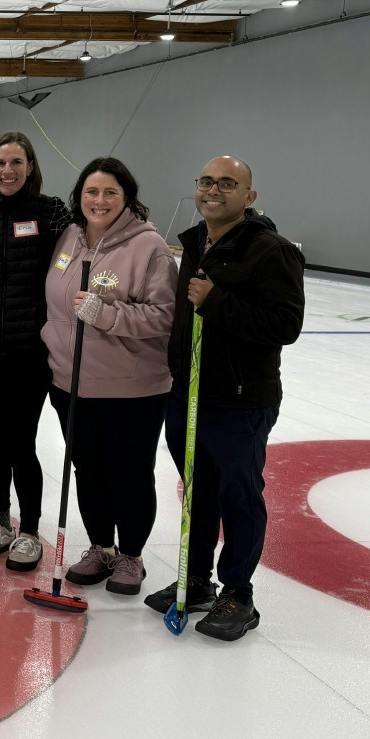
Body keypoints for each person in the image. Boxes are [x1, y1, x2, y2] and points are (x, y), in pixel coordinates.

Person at [143, 155, 305, 641]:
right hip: (188, 393)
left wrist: (217, 302)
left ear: (249, 196)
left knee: (238, 495)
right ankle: (196, 582)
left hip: (239, 401)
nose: (214, 190)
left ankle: (238, 591)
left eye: (228, 184)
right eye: (207, 182)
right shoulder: (193, 243)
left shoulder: (270, 251)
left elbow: (284, 326)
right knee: (198, 492)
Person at [42, 157, 176, 596]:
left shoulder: (149, 246)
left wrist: (106, 314)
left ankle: (131, 555)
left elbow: (166, 315)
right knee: (89, 470)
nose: (99, 201)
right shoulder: (70, 237)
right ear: (79, 197)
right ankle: (100, 546)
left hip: (129, 389)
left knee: (129, 472)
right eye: (91, 192)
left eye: (109, 193)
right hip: (70, 383)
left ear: (127, 197)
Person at [0, 132, 72, 570]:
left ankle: (29, 530)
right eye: (0, 162)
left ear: (30, 167)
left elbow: (79, 253)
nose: (7, 171)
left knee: (20, 440)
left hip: (31, 350)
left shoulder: (50, 212)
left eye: (16, 162)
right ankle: (0, 521)